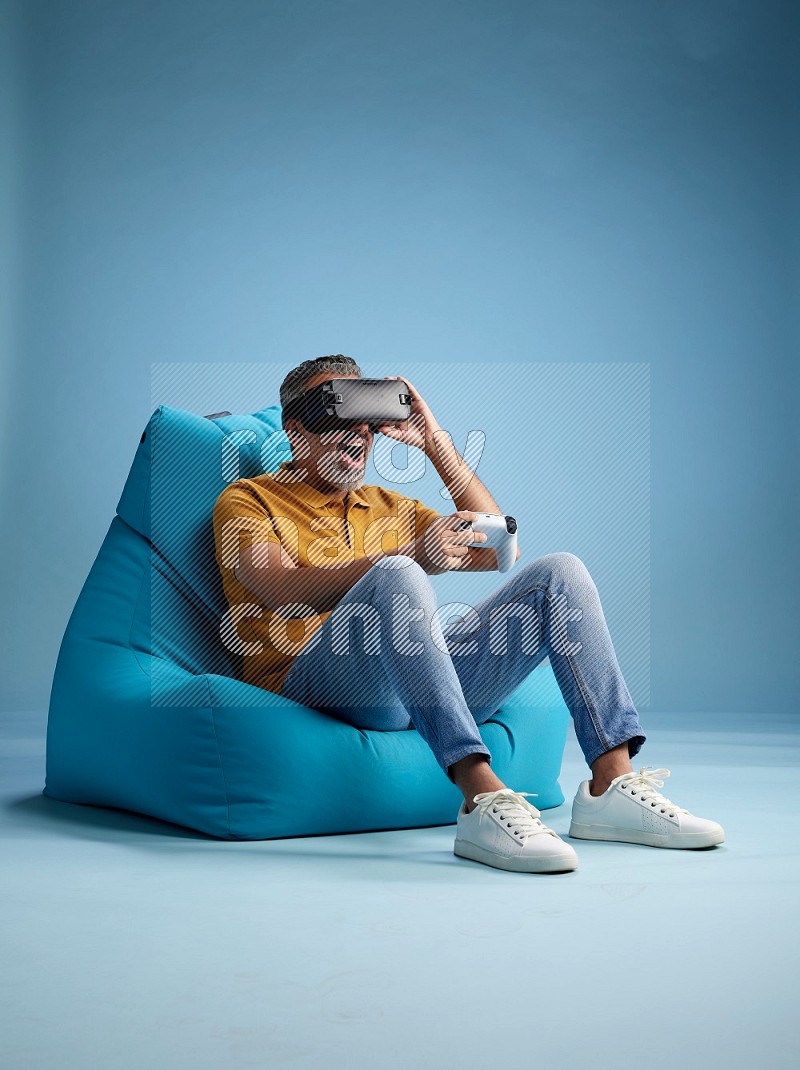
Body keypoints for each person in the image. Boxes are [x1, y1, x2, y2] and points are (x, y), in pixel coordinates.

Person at [213, 354, 724, 873]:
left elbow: (500, 546)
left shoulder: (388, 504)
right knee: (398, 572)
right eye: (338, 416)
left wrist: (436, 444)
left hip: (413, 685)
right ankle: (480, 797)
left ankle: (610, 784)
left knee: (559, 573)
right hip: (317, 684)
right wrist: (410, 556)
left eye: (367, 424)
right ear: (296, 431)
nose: (358, 436)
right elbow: (276, 585)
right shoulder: (247, 499)